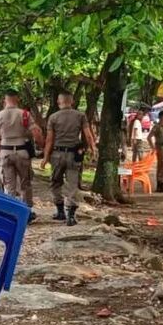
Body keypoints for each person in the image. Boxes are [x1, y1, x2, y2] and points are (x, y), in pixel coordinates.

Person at [40, 92, 98, 226]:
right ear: (72, 102)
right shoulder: (80, 116)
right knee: (72, 184)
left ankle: (60, 211)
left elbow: (49, 139)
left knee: (55, 182)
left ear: (59, 102)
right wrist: (93, 148)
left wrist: (45, 157)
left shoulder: (53, 117)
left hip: (57, 154)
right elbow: (88, 135)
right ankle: (71, 216)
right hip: (74, 154)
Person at [0, 89, 43, 221]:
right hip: (22, 152)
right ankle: (26, 213)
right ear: (17, 99)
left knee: (9, 185)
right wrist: (42, 146)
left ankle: (11, 213)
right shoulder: (24, 114)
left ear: (5, 100)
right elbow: (36, 133)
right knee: (25, 183)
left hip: (5, 152)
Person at [147, 110, 163, 193]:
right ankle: (160, 184)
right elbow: (149, 137)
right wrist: (153, 148)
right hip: (159, 147)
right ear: (162, 117)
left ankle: (161, 185)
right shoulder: (156, 126)